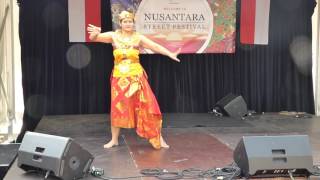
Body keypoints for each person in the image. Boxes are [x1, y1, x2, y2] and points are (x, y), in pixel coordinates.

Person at [87, 11, 180, 149]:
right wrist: (95, 32)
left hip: (136, 78)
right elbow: (94, 38)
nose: (128, 24)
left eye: (130, 21)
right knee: (117, 108)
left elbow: (155, 46)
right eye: (125, 21)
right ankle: (114, 139)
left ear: (133, 23)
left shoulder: (138, 38)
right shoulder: (113, 36)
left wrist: (169, 53)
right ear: (121, 23)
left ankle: (158, 137)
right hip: (119, 79)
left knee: (148, 106)